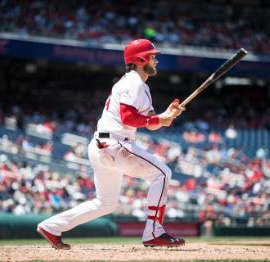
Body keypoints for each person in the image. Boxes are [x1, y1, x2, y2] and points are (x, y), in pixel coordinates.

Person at [37, 39, 185, 249]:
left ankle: (51, 226)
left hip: (102, 143)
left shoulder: (138, 85)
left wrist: (166, 115)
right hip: (115, 143)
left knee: (105, 203)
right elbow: (128, 118)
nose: (156, 60)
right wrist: (158, 120)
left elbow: (150, 123)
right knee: (162, 174)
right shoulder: (133, 82)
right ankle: (154, 232)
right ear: (140, 59)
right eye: (152, 56)